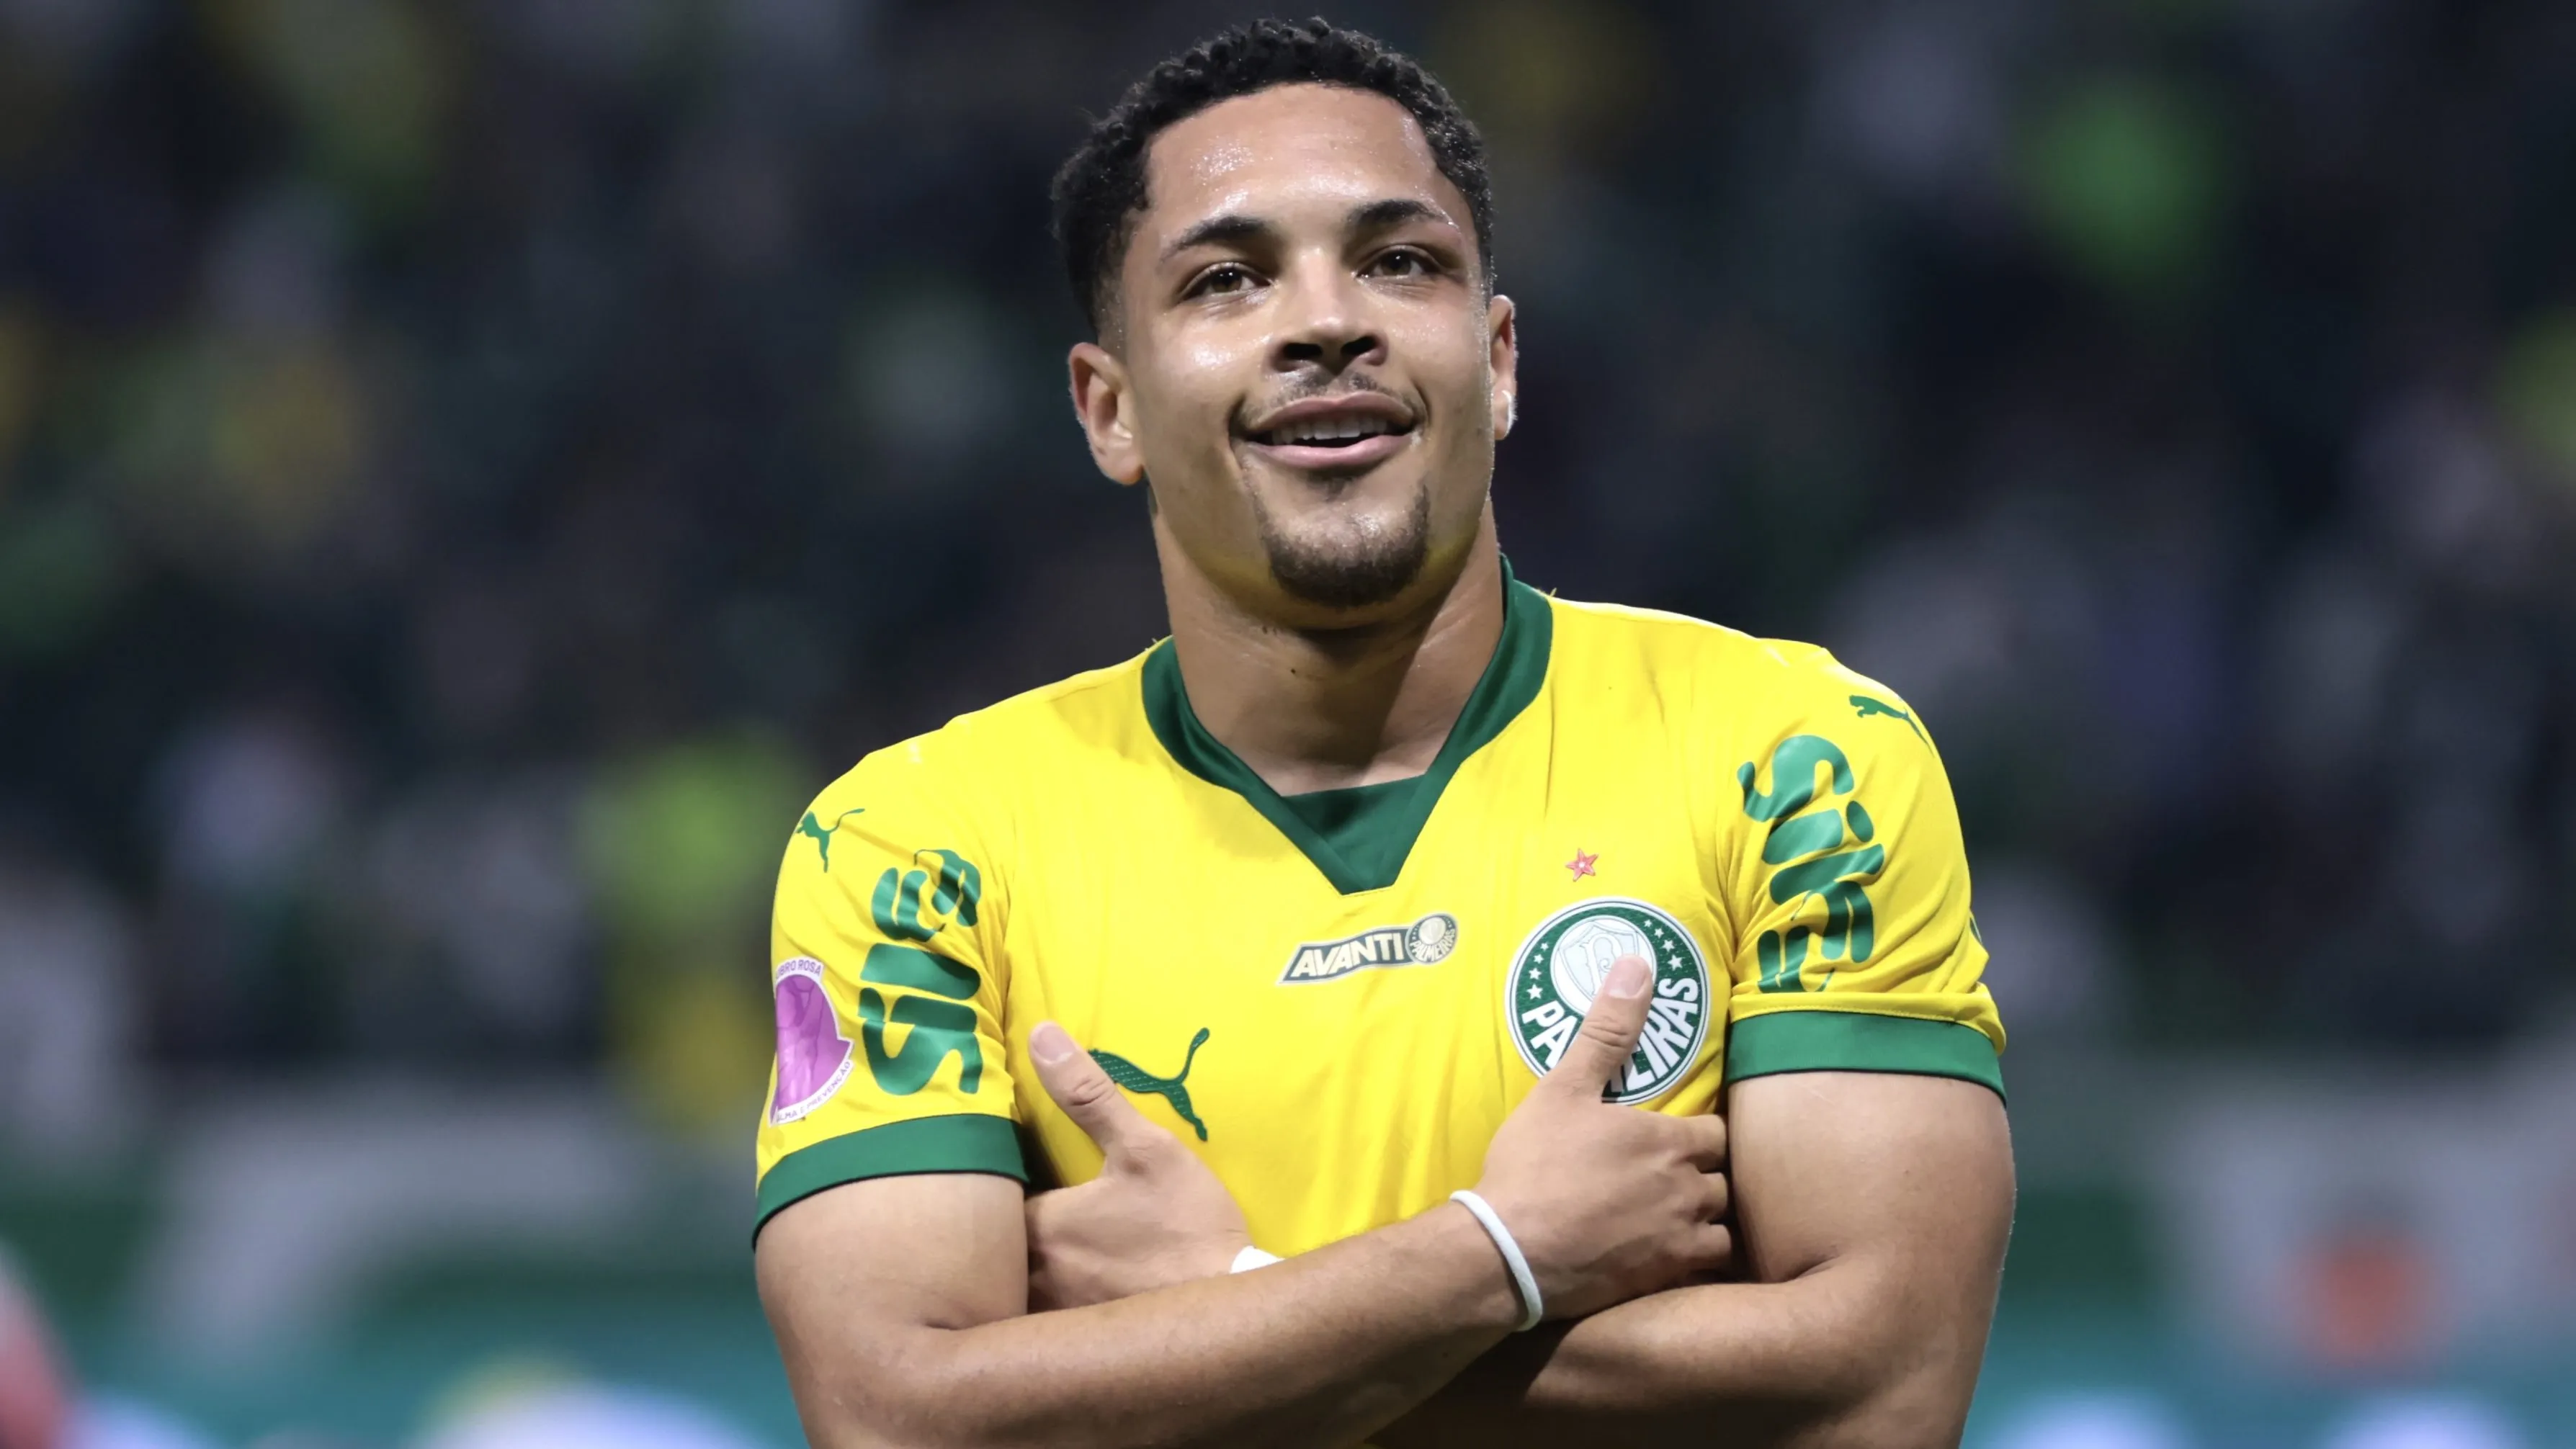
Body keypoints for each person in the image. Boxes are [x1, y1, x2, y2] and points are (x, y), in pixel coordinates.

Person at [753, 19, 2011, 1448]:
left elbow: (1883, 1387)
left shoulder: (1796, 756)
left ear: (1500, 356)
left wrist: (1222, 1309)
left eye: (1398, 261)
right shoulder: (916, 844)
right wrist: (1500, 1258)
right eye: (1229, 279)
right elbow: (895, 1419)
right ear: (1109, 409)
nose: (1325, 320)